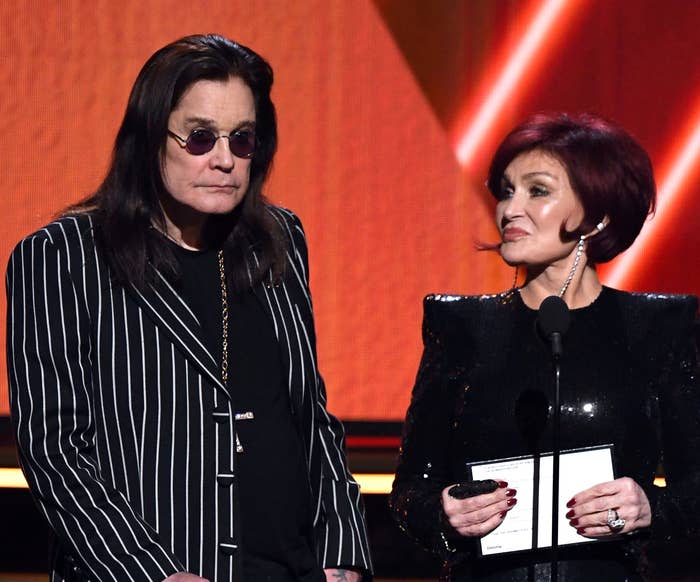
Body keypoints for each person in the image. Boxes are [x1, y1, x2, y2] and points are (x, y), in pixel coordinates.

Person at [6, 34, 372, 582]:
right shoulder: (64, 256)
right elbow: (55, 452)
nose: (224, 160)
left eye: (242, 140)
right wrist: (150, 573)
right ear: (151, 138)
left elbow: (308, 411)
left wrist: (343, 553)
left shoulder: (278, 238)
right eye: (200, 138)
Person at [389, 112, 700, 581]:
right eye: (506, 191)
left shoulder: (657, 328)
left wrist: (649, 507)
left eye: (537, 190)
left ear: (598, 215)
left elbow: (695, 486)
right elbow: (411, 489)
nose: (510, 209)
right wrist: (444, 514)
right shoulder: (461, 326)